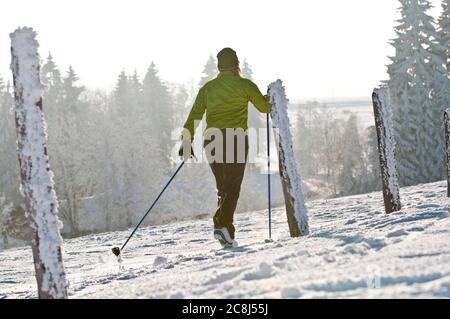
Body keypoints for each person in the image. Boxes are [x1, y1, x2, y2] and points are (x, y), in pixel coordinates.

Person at [180, 48, 270, 247]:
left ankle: (226, 234)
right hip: (235, 139)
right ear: (237, 65)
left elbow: (195, 115)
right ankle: (221, 225)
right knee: (232, 187)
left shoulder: (208, 88)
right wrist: (269, 97)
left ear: (219, 66)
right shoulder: (245, 85)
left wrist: (186, 141)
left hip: (211, 141)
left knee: (223, 187)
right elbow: (265, 108)